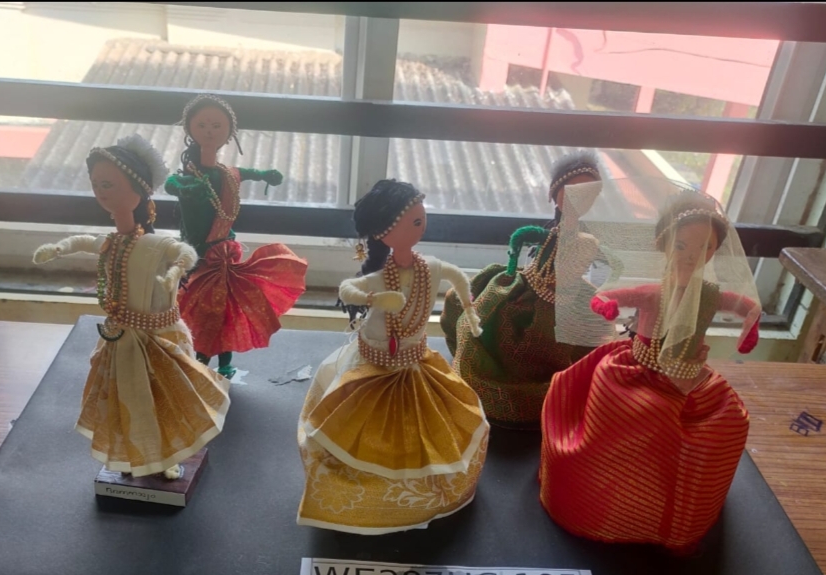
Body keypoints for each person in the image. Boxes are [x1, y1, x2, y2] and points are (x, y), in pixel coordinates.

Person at [541, 180, 762, 554]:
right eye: (681, 245)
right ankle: (613, 501)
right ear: (664, 244)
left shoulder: (710, 295)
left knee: (724, 424)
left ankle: (662, 505)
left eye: (704, 247)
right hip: (635, 374)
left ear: (715, 250)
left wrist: (750, 324)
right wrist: (605, 306)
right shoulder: (654, 292)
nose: (691, 256)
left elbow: (745, 305)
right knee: (621, 418)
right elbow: (607, 295)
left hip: (689, 380)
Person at [297, 179, 490, 534]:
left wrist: (470, 309)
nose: (422, 226)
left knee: (438, 429)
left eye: (422, 220)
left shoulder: (430, 268)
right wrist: (374, 300)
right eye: (414, 222)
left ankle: (419, 495)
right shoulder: (379, 278)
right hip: (370, 368)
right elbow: (347, 290)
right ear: (383, 233)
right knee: (352, 431)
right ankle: (367, 498)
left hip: (416, 364)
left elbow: (458, 278)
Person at [33, 134, 231, 480]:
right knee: (127, 400)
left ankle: (165, 455)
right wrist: (59, 248)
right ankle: (132, 453)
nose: (101, 192)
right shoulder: (112, 242)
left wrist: (177, 270)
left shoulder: (155, 244)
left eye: (108, 184)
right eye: (96, 184)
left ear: (138, 191)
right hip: (120, 338)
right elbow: (85, 241)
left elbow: (183, 252)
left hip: (159, 338)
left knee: (163, 400)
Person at [440, 150, 611, 428]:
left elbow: (582, 272)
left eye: (589, 192)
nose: (580, 198)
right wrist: (511, 266)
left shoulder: (587, 241)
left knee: (556, 345)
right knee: (491, 319)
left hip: (565, 303)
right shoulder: (551, 234)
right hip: (530, 289)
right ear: (555, 194)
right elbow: (521, 239)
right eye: (572, 191)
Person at [165, 94, 308, 379]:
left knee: (226, 313)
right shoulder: (187, 176)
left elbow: (250, 172)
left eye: (216, 125)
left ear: (229, 131)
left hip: (225, 257)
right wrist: (184, 187)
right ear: (190, 128)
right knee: (199, 313)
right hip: (196, 259)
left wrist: (265, 174)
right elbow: (171, 184)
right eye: (202, 125)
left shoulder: (229, 174)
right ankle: (198, 359)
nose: (209, 131)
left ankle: (224, 363)